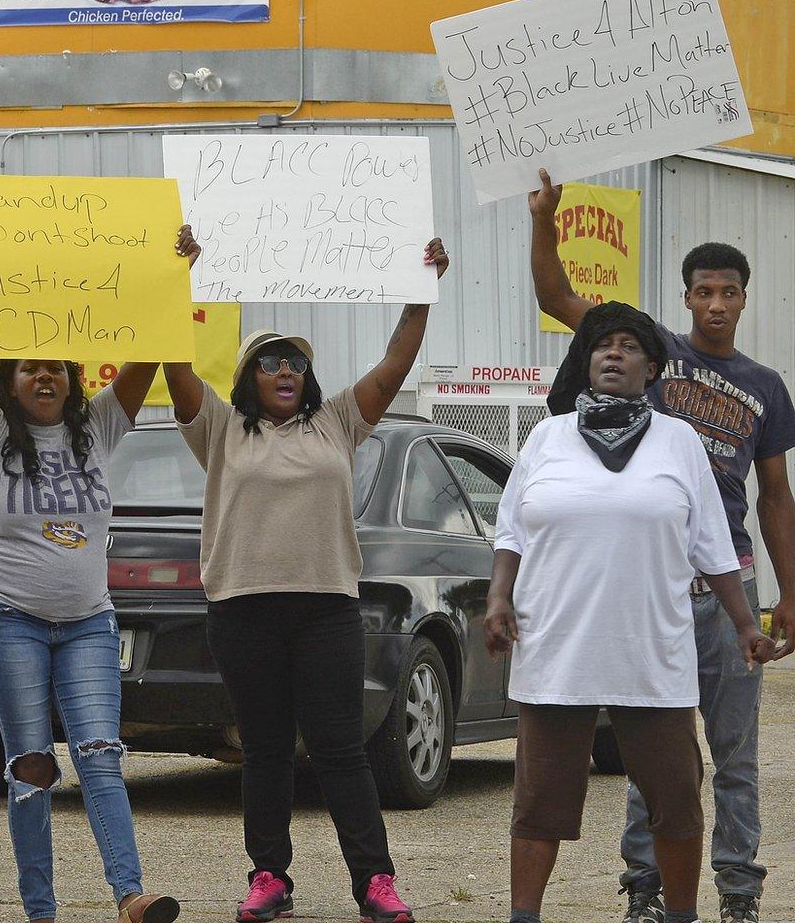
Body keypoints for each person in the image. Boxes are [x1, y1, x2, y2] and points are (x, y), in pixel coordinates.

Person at [528, 169, 795, 923]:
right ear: (685, 298)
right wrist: (544, 222)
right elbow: (557, 298)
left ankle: (738, 894)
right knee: (659, 759)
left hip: (729, 586)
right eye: (703, 291)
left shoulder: (767, 386)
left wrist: (789, 594)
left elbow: (774, 496)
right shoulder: (650, 352)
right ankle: (644, 892)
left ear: (744, 298)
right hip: (656, 595)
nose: (715, 304)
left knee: (737, 760)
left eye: (729, 293)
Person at [164, 237, 448, 923]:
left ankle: (375, 883)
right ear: (248, 377)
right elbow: (172, 358)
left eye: (293, 360)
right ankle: (270, 878)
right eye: (269, 361)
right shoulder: (221, 428)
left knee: (340, 750)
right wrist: (180, 277)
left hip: (325, 611)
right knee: (263, 752)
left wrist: (420, 294)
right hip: (243, 611)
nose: (284, 368)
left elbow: (395, 361)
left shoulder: (337, 422)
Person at [486, 301, 778, 923]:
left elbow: (714, 548)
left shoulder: (678, 443)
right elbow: (510, 531)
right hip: (556, 650)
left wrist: (746, 624)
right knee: (539, 802)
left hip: (651, 654)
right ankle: (523, 916)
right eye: (602, 346)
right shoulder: (547, 437)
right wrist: (496, 600)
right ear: (586, 363)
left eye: (628, 346)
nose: (613, 354)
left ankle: (679, 915)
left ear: (651, 368)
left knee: (675, 799)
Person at [0, 228, 181, 923]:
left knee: (100, 753)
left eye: (57, 368)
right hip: (9, 622)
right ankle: (41, 909)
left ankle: (130, 893)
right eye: (29, 367)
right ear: (7, 382)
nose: (44, 376)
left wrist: (173, 268)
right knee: (31, 765)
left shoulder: (98, 428)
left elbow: (149, 349)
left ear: (74, 381)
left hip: (89, 625)